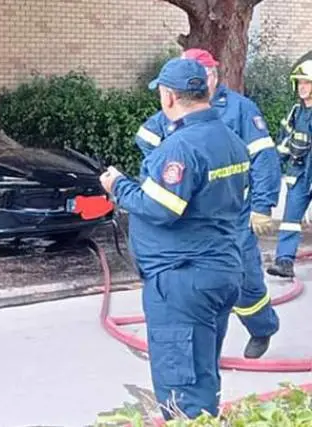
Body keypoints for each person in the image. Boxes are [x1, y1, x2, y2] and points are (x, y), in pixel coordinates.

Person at [100, 58, 250, 420]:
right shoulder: (230, 140)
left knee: (182, 389)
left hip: (183, 279)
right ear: (205, 91)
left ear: (168, 97)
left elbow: (161, 207)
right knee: (202, 372)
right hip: (221, 270)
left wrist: (117, 185)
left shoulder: (179, 148)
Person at [133, 48, 281, 359]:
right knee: (206, 281)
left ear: (211, 76)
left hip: (232, 213)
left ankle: (261, 327)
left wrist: (262, 205)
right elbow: (146, 138)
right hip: (196, 215)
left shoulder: (240, 109)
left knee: (245, 279)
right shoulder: (175, 111)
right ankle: (201, 348)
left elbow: (264, 158)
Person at [266, 59, 312, 278]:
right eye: (300, 83)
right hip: (299, 175)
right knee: (290, 220)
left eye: (307, 82)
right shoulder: (295, 112)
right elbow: (283, 142)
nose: (302, 87)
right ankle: (284, 262)